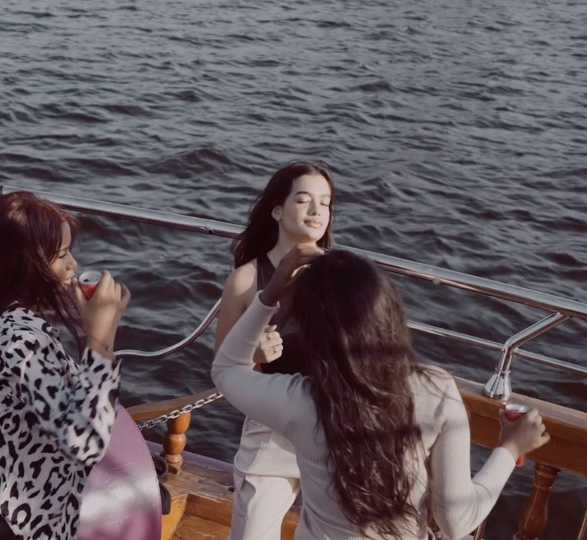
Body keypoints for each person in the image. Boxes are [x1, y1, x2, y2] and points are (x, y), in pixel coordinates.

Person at [213, 247, 551, 539]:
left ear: (310, 331)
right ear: (390, 314)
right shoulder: (436, 391)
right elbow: (457, 522)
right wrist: (510, 448)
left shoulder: (300, 401)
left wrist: (270, 294)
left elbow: (226, 369)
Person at [0, 191, 131, 540]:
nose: (73, 264)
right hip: (7, 523)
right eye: (61, 255)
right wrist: (101, 338)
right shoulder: (22, 341)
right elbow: (85, 442)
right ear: (25, 266)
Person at [214, 160, 335, 539]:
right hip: (271, 432)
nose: (316, 211)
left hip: (333, 429)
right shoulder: (246, 279)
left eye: (325, 202)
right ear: (277, 210)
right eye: (303, 200)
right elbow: (223, 371)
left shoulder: (341, 277)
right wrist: (253, 358)